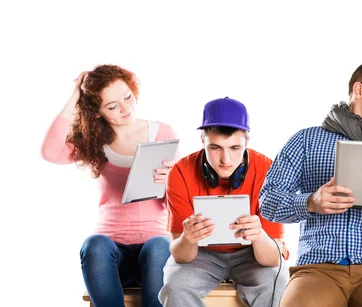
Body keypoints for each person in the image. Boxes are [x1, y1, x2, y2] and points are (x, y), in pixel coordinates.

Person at [259, 59, 362, 307]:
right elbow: (267, 202)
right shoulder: (306, 141)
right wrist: (310, 203)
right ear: (359, 90)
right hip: (317, 268)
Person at [41, 64, 178, 307]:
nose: (125, 108)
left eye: (127, 96)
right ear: (97, 112)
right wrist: (75, 96)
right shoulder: (93, 141)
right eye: (112, 106)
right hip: (112, 257)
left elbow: (180, 201)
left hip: (155, 252)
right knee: (93, 244)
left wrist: (172, 183)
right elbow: (50, 152)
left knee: (160, 244)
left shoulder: (162, 132)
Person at [157, 97, 288, 307]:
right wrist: (189, 238)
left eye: (235, 148)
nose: (225, 159)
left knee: (277, 282)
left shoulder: (268, 171)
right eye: (215, 148)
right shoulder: (180, 172)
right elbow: (181, 257)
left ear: (247, 141)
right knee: (176, 285)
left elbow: (273, 259)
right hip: (201, 254)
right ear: (202, 141)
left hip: (253, 254)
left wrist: (259, 236)